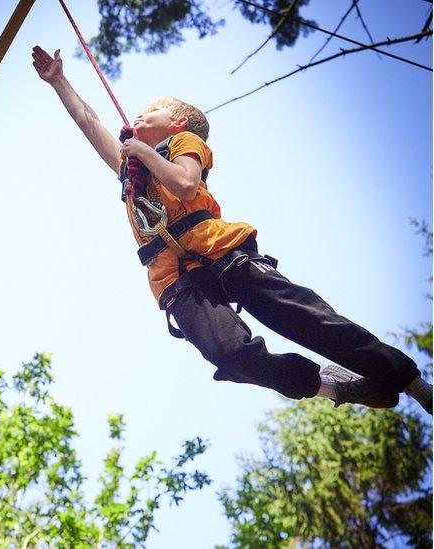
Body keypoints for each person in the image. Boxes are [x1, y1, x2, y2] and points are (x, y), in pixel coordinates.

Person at [31, 45, 432, 413]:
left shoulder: (184, 142)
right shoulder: (129, 168)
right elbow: (88, 120)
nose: (138, 114)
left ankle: (411, 382)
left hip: (220, 251)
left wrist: (141, 152)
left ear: (177, 123)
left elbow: (185, 185)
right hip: (174, 277)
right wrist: (59, 81)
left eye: (151, 110)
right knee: (228, 356)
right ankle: (333, 387)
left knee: (305, 317)